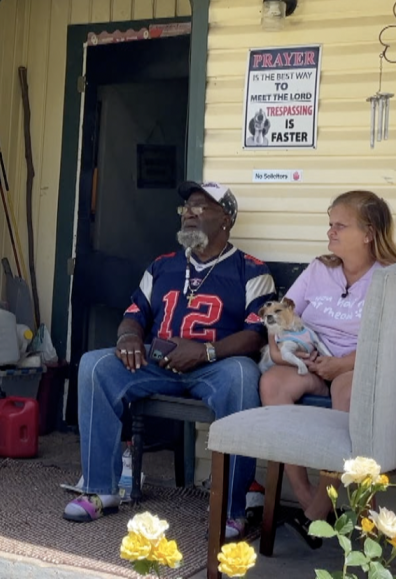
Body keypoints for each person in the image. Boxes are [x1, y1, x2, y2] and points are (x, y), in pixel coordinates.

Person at [63, 181, 275, 541]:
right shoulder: (162, 266)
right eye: (186, 208)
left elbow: (256, 334)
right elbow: (135, 313)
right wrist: (129, 336)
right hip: (158, 362)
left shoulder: (251, 270)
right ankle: (100, 490)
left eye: (201, 207)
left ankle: (232, 508)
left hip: (217, 365)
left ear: (226, 219)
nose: (189, 214)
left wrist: (205, 351)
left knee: (243, 376)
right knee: (95, 366)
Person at [258, 190, 396, 545]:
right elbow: (281, 315)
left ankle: (314, 513)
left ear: (369, 232)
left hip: (356, 367)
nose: (331, 232)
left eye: (340, 226)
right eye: (330, 225)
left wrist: (340, 364)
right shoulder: (319, 270)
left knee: (347, 392)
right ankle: (306, 493)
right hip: (309, 361)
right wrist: (282, 354)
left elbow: (392, 343)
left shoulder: (391, 278)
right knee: (272, 384)